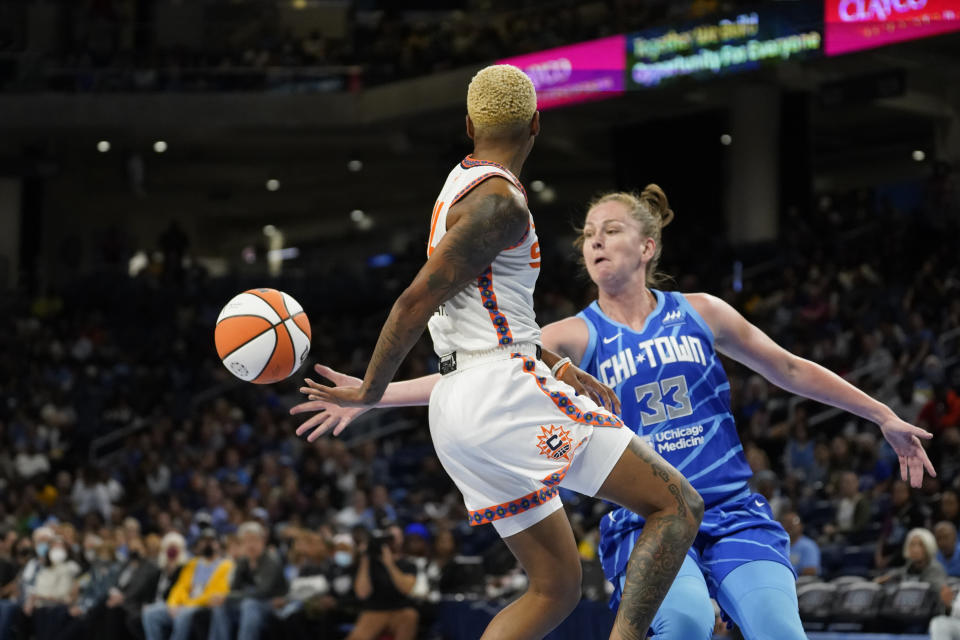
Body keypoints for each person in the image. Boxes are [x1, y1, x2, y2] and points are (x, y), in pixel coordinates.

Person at [298, 181, 935, 639]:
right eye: (588, 237)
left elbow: (790, 369)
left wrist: (881, 413)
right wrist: (373, 395)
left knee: (776, 628)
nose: (596, 243)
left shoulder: (704, 311)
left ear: (648, 246)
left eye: (612, 231)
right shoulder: (572, 335)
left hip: (733, 511)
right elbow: (471, 382)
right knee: (682, 623)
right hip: (648, 524)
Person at [291, 64, 703, 640]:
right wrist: (371, 389)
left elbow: (489, 318)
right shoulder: (500, 204)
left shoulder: (458, 184)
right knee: (679, 506)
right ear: (536, 123)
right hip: (500, 393)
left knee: (555, 589)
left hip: (461, 401)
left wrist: (555, 364)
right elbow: (413, 303)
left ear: (468, 125)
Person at [141, 528, 233, 640]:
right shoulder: (192, 563)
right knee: (150, 613)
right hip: (184, 603)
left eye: (211, 541)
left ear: (218, 544)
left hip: (202, 605)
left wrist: (188, 604)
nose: (207, 545)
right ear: (199, 544)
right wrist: (173, 604)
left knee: (184, 614)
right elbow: (180, 586)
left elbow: (217, 592)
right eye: (204, 541)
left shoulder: (226, 565)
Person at [208, 521, 286, 640]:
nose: (251, 545)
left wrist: (228, 597)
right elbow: (234, 588)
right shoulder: (243, 561)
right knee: (221, 605)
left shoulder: (271, 560)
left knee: (249, 605)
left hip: (272, 603)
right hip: (250, 603)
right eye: (247, 541)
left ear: (263, 541)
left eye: (254, 540)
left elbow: (262, 592)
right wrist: (225, 598)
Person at [875, 527, 946, 593]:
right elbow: (900, 572)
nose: (915, 549)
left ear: (928, 547)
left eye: (921, 545)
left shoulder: (935, 570)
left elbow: (938, 593)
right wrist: (886, 578)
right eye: (912, 544)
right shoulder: (909, 567)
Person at [780, 512, 820, 577]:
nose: (789, 526)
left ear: (801, 526)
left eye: (793, 523)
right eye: (786, 523)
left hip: (802, 583)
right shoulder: (776, 545)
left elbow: (810, 571)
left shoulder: (808, 545)